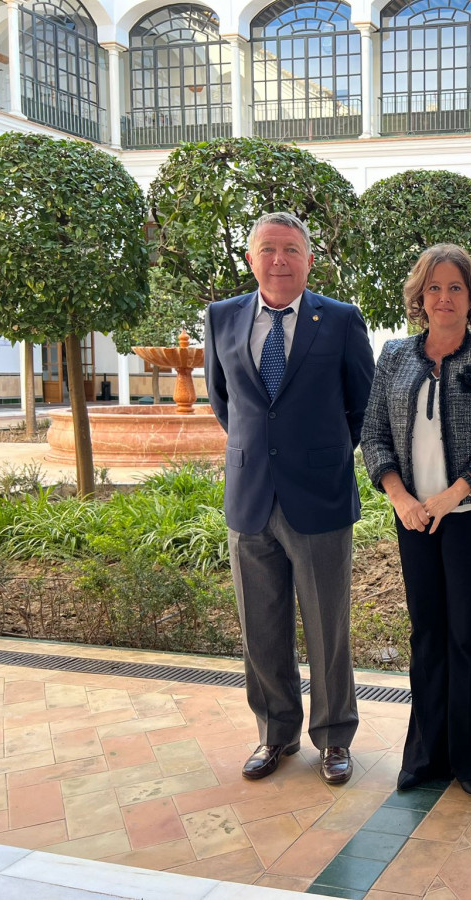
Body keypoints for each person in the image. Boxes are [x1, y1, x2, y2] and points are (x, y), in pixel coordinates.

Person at [204, 211, 375, 785]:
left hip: (320, 497)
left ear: (308, 259)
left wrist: (319, 455)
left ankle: (333, 739)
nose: (279, 260)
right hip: (250, 495)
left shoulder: (343, 320)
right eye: (268, 249)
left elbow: (361, 405)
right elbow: (224, 402)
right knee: (261, 624)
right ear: (251, 259)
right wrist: (262, 453)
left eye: (291, 250)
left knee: (328, 625)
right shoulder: (221, 317)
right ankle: (274, 733)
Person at [362, 244, 471, 797]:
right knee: (427, 632)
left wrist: (455, 493)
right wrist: (401, 497)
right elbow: (373, 434)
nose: (445, 297)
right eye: (434, 287)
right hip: (413, 519)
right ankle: (426, 755)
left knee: (468, 635)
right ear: (420, 297)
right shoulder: (394, 356)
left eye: (456, 287)